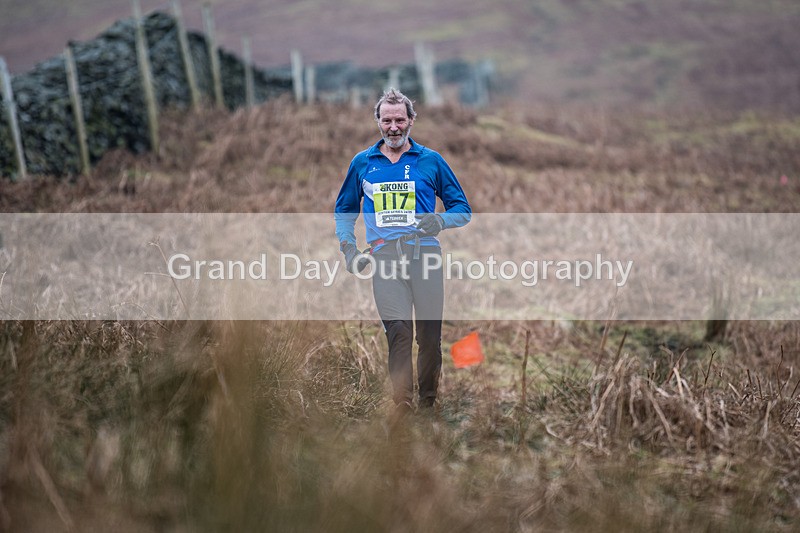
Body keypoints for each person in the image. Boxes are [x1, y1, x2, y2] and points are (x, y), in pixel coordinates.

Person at [334, 88, 471, 414]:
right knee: (398, 333)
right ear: (378, 122)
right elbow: (344, 212)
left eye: (399, 120)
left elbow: (462, 209)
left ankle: (427, 405)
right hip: (384, 259)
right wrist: (349, 249)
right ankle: (403, 407)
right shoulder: (363, 163)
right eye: (386, 120)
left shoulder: (430, 161)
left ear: (411, 120)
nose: (393, 127)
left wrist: (439, 220)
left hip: (424, 257)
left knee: (429, 339)